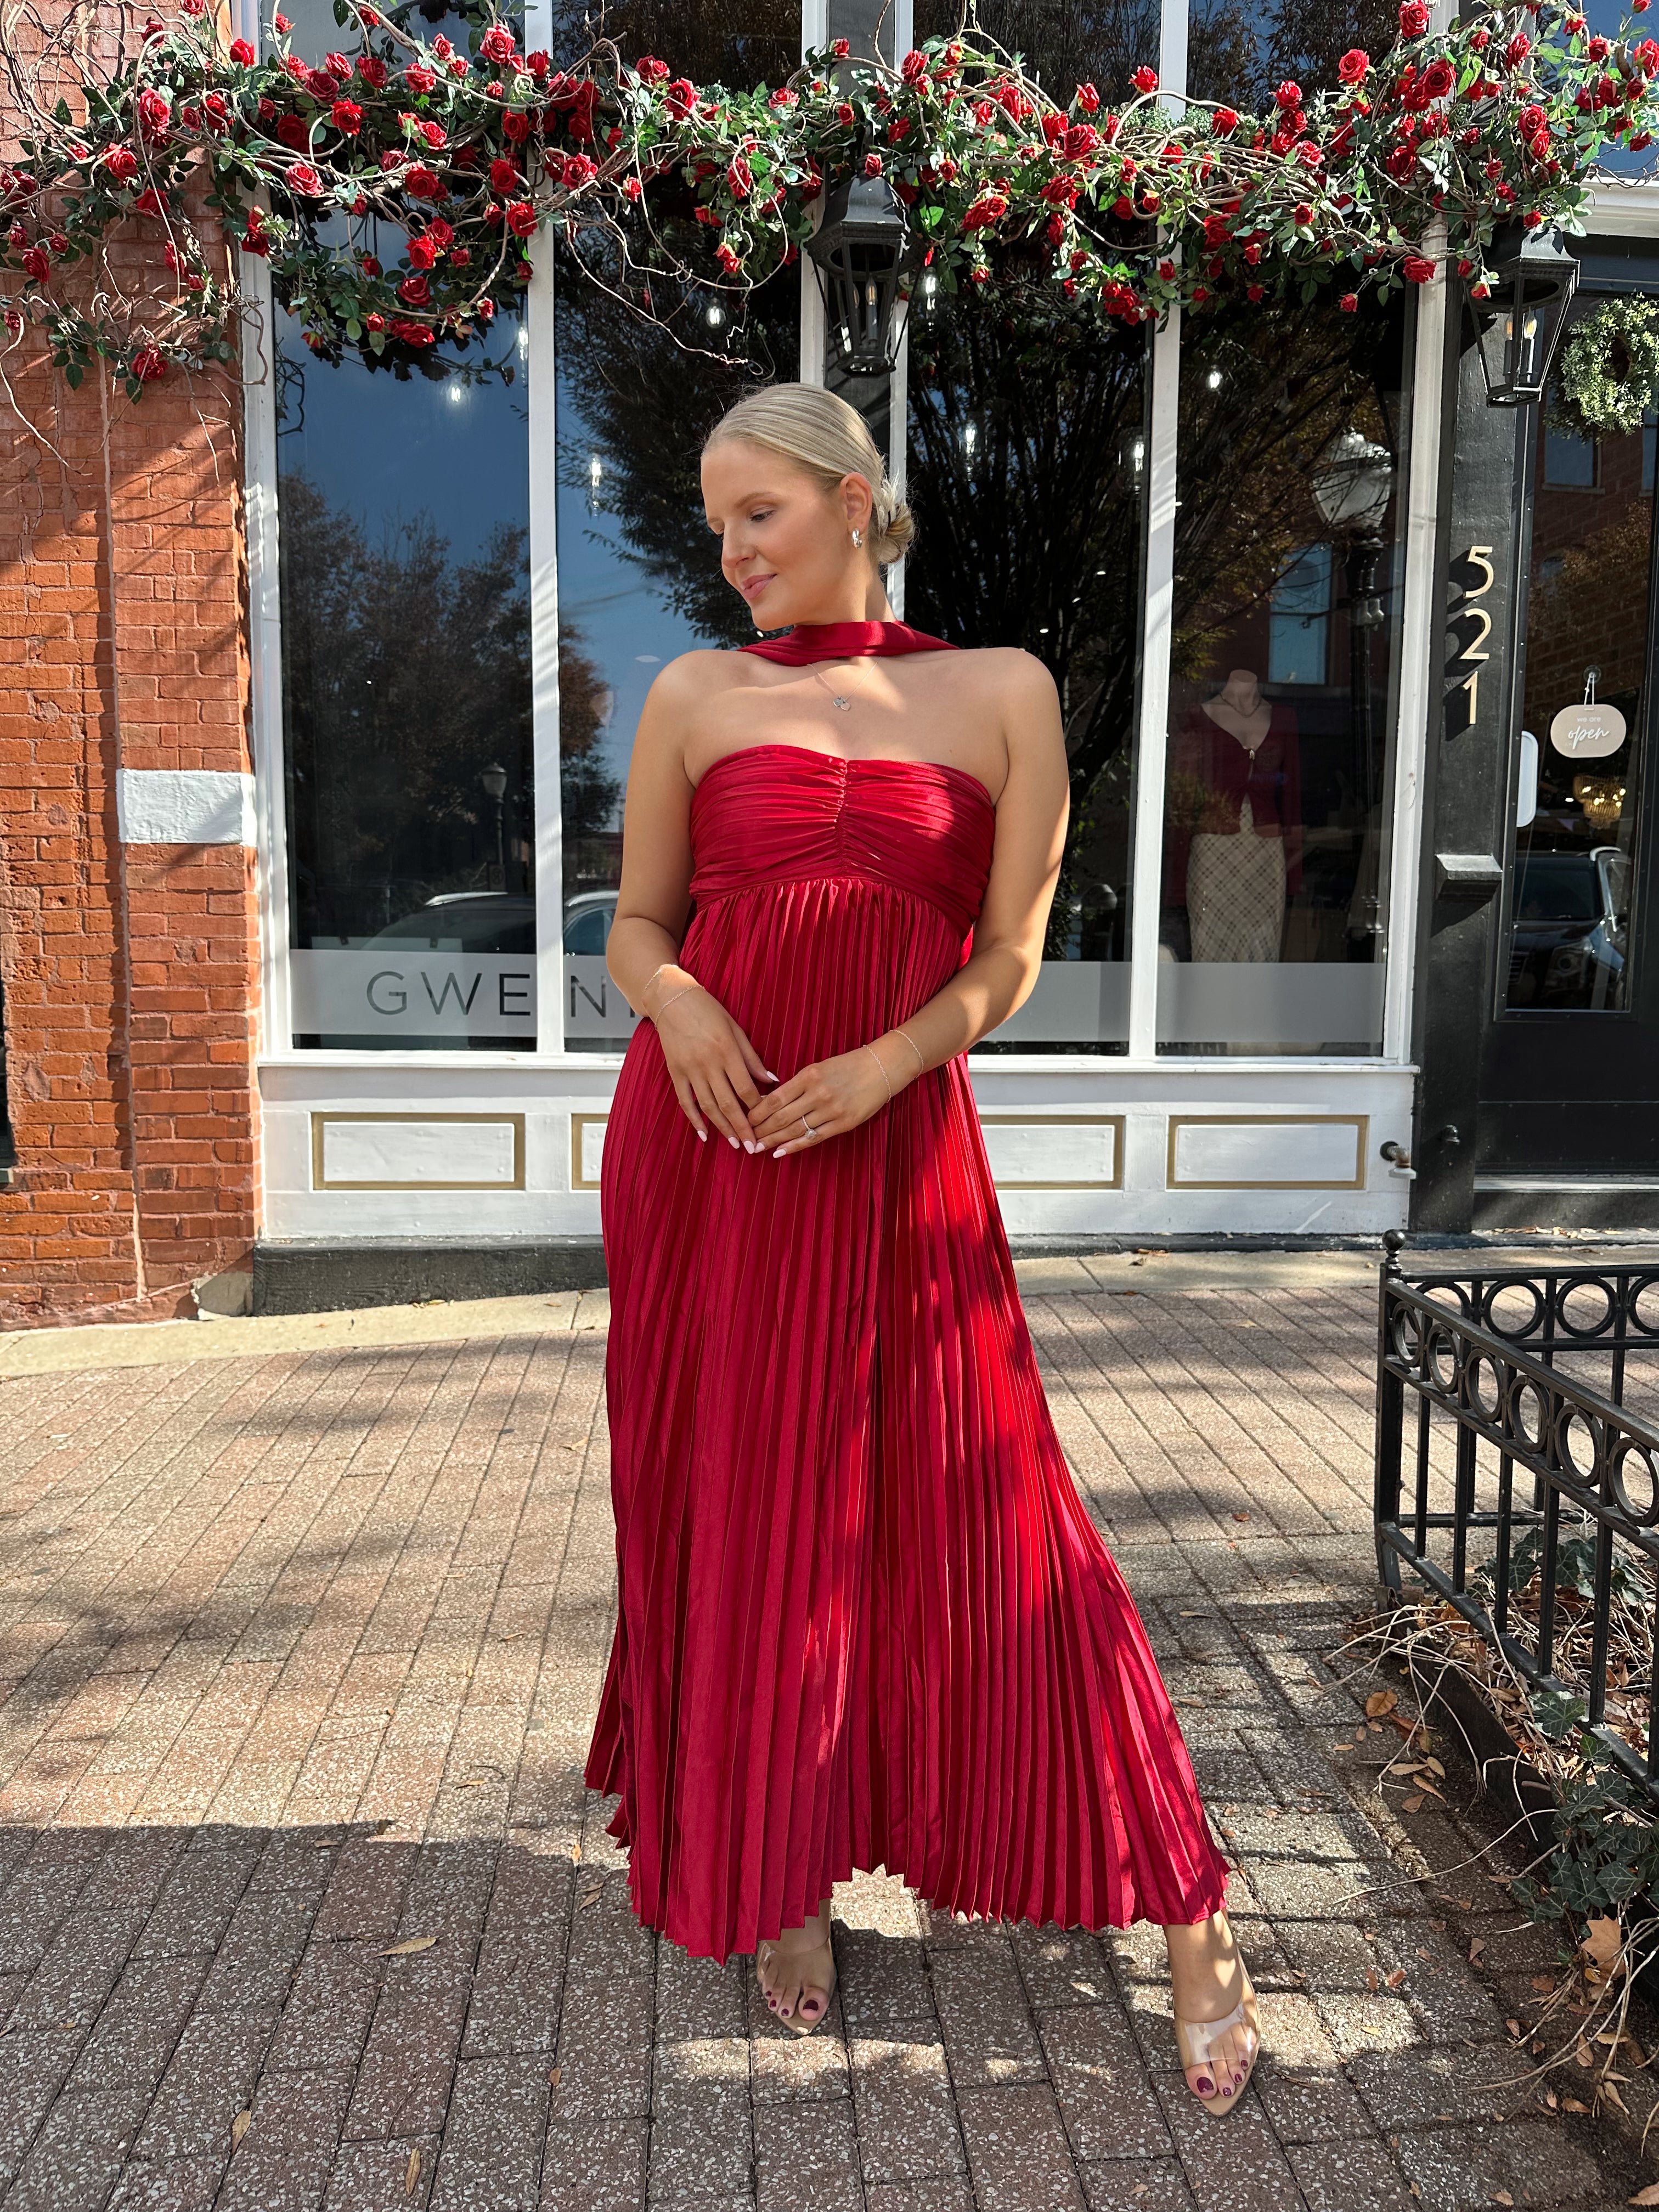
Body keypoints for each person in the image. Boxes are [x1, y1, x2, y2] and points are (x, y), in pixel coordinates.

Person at [585, 382, 1260, 2116]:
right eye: (715, 521)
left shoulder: (1004, 690)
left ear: (856, 495)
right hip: (718, 1155)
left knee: (994, 1505)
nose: (729, 553)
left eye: (760, 514)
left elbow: (1012, 954)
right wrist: (675, 1010)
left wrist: (894, 1057)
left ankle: (1189, 1900)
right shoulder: (691, 696)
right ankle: (780, 1872)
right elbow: (637, 927)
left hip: (896, 1158)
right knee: (750, 1501)